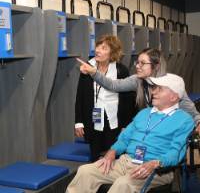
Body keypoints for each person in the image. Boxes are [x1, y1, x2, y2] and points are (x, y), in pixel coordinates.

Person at [66, 73, 194, 193]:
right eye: (154, 88)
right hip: (125, 162)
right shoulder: (144, 113)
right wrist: (112, 152)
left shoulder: (184, 120)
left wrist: (156, 163)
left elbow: (176, 153)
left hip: (156, 170)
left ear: (174, 96)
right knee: (86, 171)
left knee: (124, 184)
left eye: (160, 89)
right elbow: (125, 138)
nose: (153, 92)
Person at [78, 48, 200, 133]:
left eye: (142, 63)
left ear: (156, 66)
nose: (137, 66)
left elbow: (191, 111)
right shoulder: (138, 80)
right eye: (137, 62)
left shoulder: (172, 85)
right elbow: (113, 85)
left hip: (170, 133)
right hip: (151, 132)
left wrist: (198, 124)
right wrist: (94, 72)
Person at [75, 35, 136, 161]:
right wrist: (78, 122)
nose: (98, 50)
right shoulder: (87, 67)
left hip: (114, 119)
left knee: (114, 155)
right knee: (95, 155)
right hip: (94, 117)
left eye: (104, 48)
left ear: (112, 52)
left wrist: (126, 124)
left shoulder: (121, 70)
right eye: (98, 46)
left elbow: (128, 100)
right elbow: (80, 96)